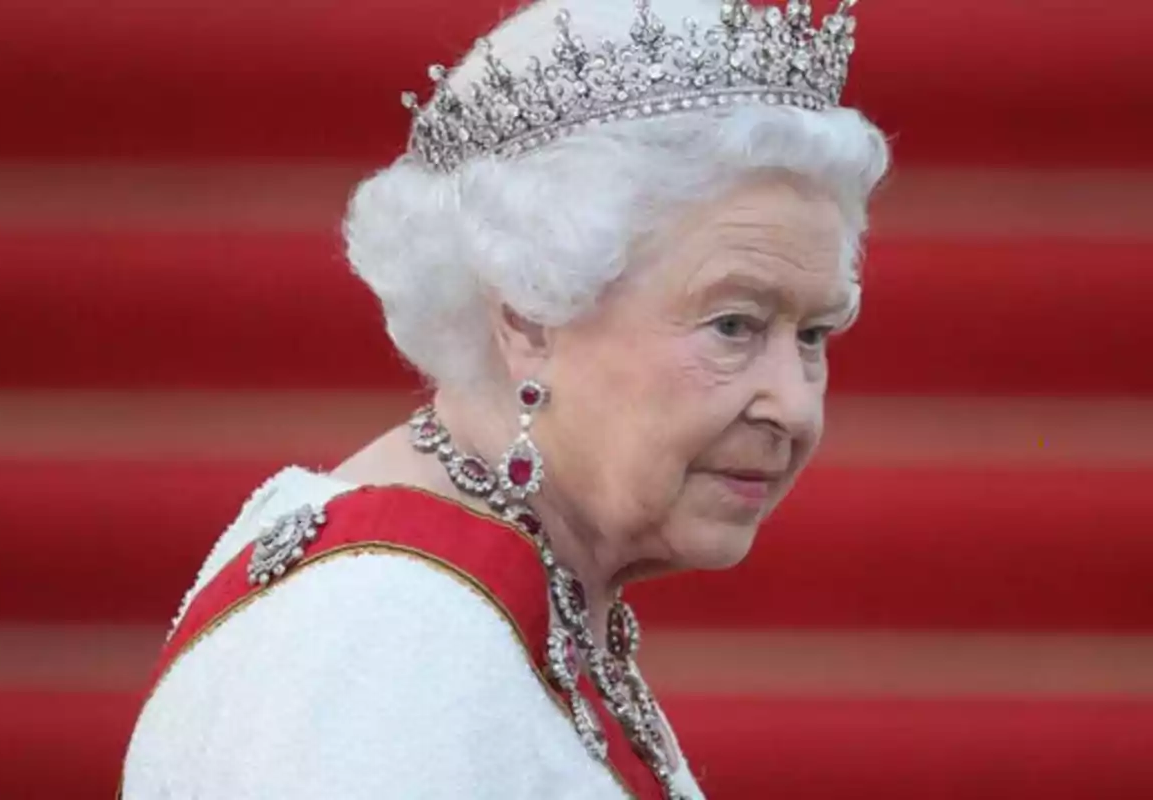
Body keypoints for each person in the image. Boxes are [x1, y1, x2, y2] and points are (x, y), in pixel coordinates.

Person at [121, 0, 888, 797]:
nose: (794, 408)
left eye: (814, 336)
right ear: (528, 312)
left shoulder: (491, 594)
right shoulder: (387, 636)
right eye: (734, 325)